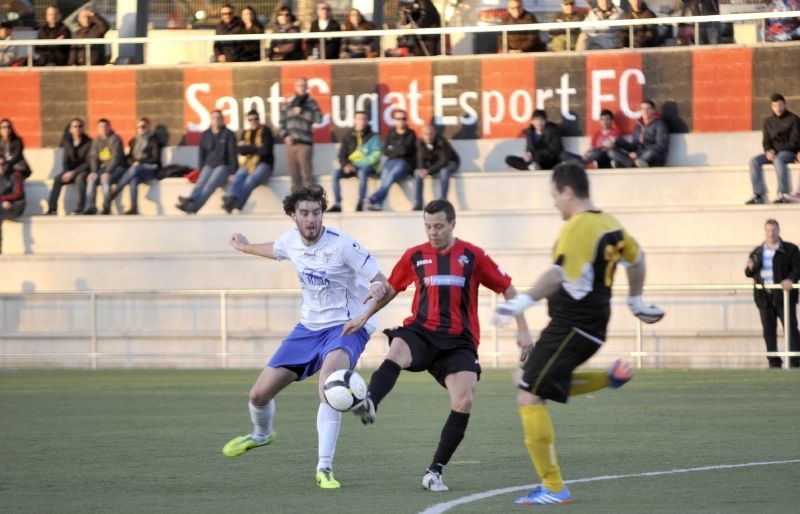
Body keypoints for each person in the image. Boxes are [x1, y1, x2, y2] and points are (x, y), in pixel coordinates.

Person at [493, 160, 664, 505]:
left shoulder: (579, 227)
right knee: (524, 377)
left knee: (528, 394)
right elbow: (639, 258)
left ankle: (554, 488)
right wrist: (635, 299)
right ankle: (608, 379)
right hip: (582, 326)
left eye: (555, 194)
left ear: (567, 191)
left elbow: (557, 275)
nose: (554, 202)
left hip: (575, 326)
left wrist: (520, 303)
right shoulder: (609, 222)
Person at [342, 199, 532, 491]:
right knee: (397, 350)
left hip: (459, 342)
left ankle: (434, 471)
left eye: (439, 226)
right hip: (421, 332)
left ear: (453, 224)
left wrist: (523, 330)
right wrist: (364, 315)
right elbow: (391, 289)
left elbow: (507, 287)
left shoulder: (473, 255)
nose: (433, 232)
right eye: (428, 226)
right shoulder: (415, 256)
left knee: (464, 400)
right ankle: (370, 401)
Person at [222, 185, 388, 490]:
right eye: (304, 213)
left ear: (323, 213)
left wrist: (377, 287)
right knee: (258, 395)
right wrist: (244, 247)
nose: (311, 219)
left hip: (345, 326)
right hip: (307, 329)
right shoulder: (290, 241)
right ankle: (262, 434)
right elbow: (275, 250)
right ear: (293, 216)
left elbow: (381, 280)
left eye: (316, 212)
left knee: (328, 388)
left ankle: (324, 467)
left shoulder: (343, 245)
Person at [745, 218, 800, 368]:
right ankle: (774, 362)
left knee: (791, 329)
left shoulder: (790, 249)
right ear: (765, 232)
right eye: (768, 230)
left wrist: (790, 280)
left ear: (778, 231)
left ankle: (796, 362)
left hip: (784, 296)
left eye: (774, 230)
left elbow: (797, 269)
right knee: (768, 330)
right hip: (764, 297)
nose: (771, 234)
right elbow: (749, 273)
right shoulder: (757, 252)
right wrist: (749, 269)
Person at [176, 110, 237, 214]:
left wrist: (233, 172)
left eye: (219, 118)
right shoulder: (205, 134)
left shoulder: (228, 134)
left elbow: (232, 154)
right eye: (214, 118)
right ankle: (190, 200)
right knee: (200, 183)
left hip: (223, 165)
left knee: (210, 185)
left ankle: (193, 206)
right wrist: (201, 170)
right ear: (211, 120)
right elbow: (202, 154)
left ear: (223, 119)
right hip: (209, 165)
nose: (216, 120)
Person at [746, 93, 800, 205]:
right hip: (773, 152)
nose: (778, 109)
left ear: (784, 105)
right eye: (775, 106)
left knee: (778, 160)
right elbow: (766, 141)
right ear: (771, 107)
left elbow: (794, 143)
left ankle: (782, 194)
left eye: (780, 105)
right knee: (754, 161)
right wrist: (768, 150)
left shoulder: (794, 119)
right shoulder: (768, 121)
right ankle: (758, 195)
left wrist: (774, 151)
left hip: (789, 152)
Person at [107, 118, 162, 215]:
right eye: (138, 127)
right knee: (134, 179)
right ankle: (134, 207)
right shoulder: (134, 140)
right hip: (136, 169)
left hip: (150, 168)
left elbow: (155, 158)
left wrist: (139, 162)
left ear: (149, 127)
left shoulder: (154, 140)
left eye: (143, 126)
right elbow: (128, 157)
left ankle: (117, 189)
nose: (141, 129)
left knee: (135, 169)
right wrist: (133, 162)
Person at [222, 110, 274, 213]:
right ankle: (232, 199)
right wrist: (256, 147)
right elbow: (240, 151)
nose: (253, 121)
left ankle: (236, 203)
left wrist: (248, 147)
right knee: (239, 174)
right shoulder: (246, 132)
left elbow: (265, 151)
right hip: (248, 164)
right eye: (250, 119)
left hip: (264, 164)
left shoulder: (266, 131)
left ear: (259, 119)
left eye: (255, 119)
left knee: (250, 179)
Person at [329, 110, 382, 213]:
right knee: (335, 173)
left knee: (362, 173)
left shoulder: (373, 136)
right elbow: (342, 155)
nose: (361, 121)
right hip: (350, 167)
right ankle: (337, 204)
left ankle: (360, 203)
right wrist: (345, 166)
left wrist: (356, 165)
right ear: (354, 120)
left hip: (367, 167)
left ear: (367, 121)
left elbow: (375, 156)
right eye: (359, 119)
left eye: (364, 119)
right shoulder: (348, 135)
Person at [365, 109, 417, 211]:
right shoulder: (391, 132)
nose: (401, 121)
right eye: (398, 118)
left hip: (405, 163)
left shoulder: (411, 134)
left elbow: (404, 151)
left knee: (391, 175)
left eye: (403, 118)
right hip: (391, 161)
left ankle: (375, 197)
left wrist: (392, 148)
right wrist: (395, 149)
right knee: (385, 175)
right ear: (394, 120)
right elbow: (385, 150)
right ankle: (378, 203)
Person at [279, 77, 322, 190]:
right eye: (299, 85)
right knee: (294, 176)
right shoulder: (289, 102)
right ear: (295, 87)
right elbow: (282, 121)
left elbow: (319, 120)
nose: (301, 88)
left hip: (305, 143)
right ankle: (296, 205)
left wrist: (303, 113)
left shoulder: (311, 102)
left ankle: (310, 204)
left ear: (307, 87)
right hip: (290, 144)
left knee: (306, 176)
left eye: (303, 85)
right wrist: (285, 136)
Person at [47, 118, 92, 215]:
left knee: (80, 179)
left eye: (80, 126)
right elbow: (65, 160)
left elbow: (88, 162)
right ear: (70, 129)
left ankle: (79, 208)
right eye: (74, 126)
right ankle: (52, 209)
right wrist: (66, 172)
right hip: (69, 170)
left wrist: (74, 172)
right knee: (58, 179)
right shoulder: (67, 142)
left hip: (83, 170)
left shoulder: (88, 142)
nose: (77, 129)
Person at [608, 99, 669, 168]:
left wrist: (638, 153)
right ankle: (635, 164)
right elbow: (633, 146)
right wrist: (617, 141)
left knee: (650, 153)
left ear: (653, 110)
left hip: (654, 156)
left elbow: (661, 145)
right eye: (642, 109)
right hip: (639, 156)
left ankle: (625, 164)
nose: (645, 111)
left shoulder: (660, 124)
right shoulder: (638, 126)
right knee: (612, 152)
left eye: (648, 109)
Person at [413, 124, 460, 210]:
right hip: (434, 164)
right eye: (426, 134)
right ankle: (418, 203)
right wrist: (421, 169)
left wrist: (428, 171)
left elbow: (444, 161)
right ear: (422, 135)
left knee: (444, 172)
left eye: (430, 134)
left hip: (450, 163)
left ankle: (443, 202)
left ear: (434, 133)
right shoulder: (419, 142)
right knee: (417, 173)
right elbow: (420, 158)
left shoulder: (441, 142)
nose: (428, 136)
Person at [83, 118, 123, 215]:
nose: (103, 128)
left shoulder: (115, 139)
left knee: (105, 179)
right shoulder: (96, 140)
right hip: (102, 169)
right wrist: (94, 171)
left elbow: (116, 158)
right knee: (92, 178)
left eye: (105, 126)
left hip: (117, 168)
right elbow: (93, 157)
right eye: (101, 127)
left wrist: (108, 172)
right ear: (97, 128)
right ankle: (90, 207)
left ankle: (106, 207)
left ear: (109, 127)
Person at [0, 156, 26, 254]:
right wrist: (2, 202)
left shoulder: (16, 174)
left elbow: (18, 193)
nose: (1, 167)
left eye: (3, 164)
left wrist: (4, 200)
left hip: (16, 205)